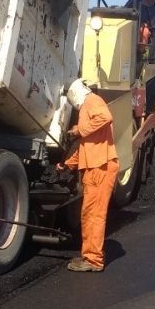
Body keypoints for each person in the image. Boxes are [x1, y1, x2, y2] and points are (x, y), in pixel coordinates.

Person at [56, 79, 119, 272]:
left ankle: (94, 260)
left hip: (101, 167)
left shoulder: (92, 101)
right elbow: (85, 147)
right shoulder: (87, 108)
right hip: (94, 168)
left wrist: (78, 130)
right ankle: (89, 254)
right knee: (88, 214)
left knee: (95, 216)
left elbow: (105, 117)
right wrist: (65, 165)